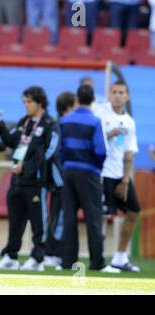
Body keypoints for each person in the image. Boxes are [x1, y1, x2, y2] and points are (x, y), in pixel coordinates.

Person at [0, 86, 59, 272]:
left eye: (29, 102)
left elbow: (49, 152)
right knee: (15, 222)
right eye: (24, 102)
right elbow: (12, 142)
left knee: (38, 223)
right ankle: (11, 257)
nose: (26, 106)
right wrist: (0, 126)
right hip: (17, 179)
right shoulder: (24, 122)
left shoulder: (49, 124)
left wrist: (27, 168)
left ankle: (37, 259)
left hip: (36, 181)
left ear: (40, 103)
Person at [58, 84, 120, 273]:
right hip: (89, 173)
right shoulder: (95, 122)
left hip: (68, 171)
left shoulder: (64, 120)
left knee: (69, 217)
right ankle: (97, 263)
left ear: (77, 99)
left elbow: (60, 149)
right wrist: (96, 168)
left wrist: (67, 164)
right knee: (93, 218)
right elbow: (101, 150)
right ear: (93, 100)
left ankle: (68, 261)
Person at [94, 81, 141, 272]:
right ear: (109, 94)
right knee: (101, 216)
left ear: (127, 96)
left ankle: (120, 257)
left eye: (121, 92)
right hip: (101, 172)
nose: (117, 96)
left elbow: (129, 153)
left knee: (134, 210)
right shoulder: (100, 113)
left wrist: (125, 180)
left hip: (119, 175)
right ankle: (98, 259)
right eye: (114, 92)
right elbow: (91, 138)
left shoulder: (129, 121)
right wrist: (108, 134)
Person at [43, 91, 75, 268]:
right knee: (58, 215)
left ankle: (56, 251)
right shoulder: (60, 125)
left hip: (63, 178)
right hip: (60, 179)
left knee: (60, 215)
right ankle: (51, 252)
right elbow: (54, 154)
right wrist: (57, 180)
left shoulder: (59, 123)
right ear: (68, 107)